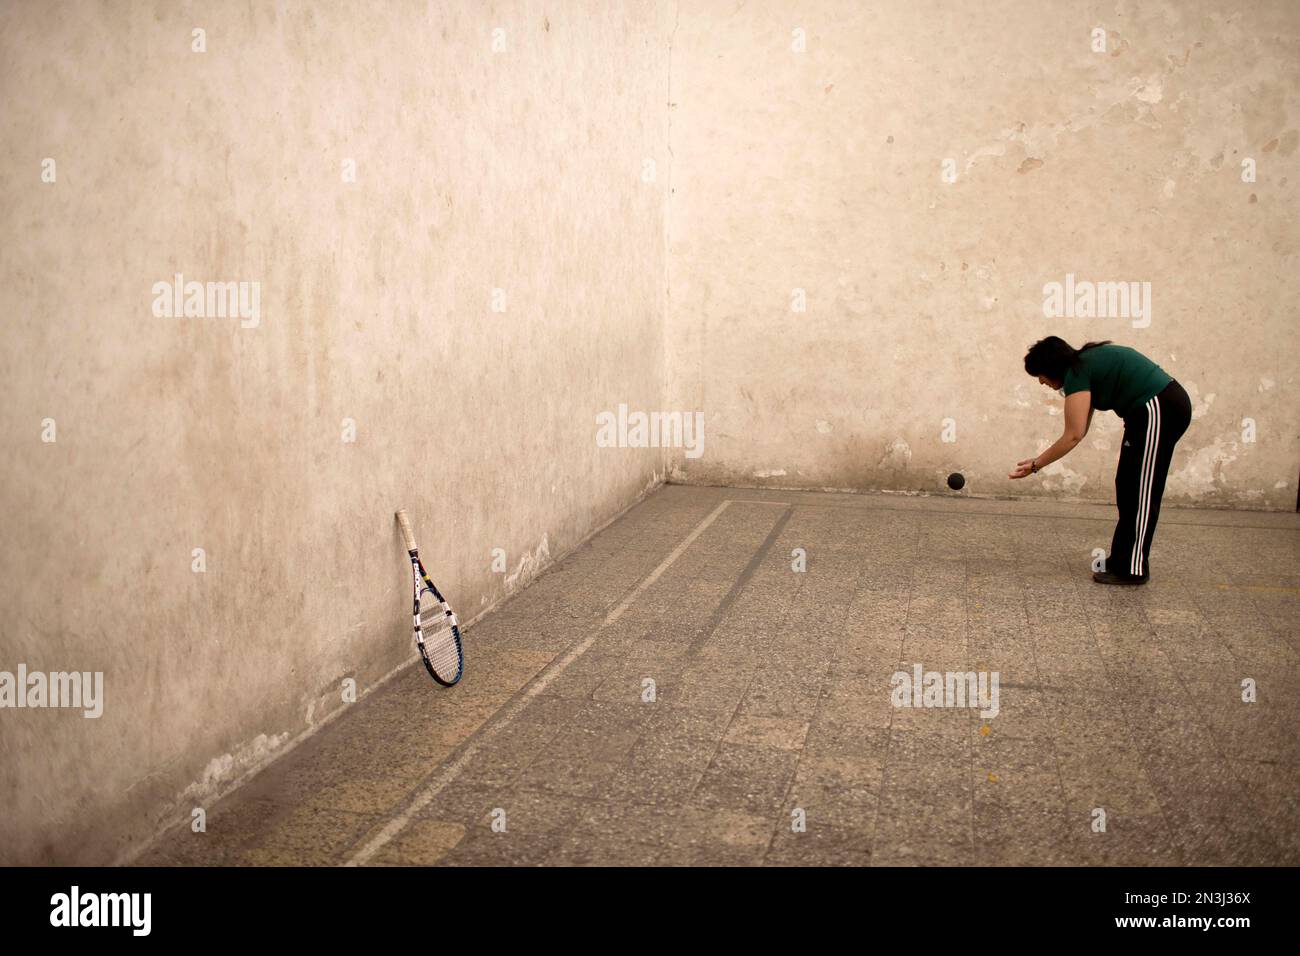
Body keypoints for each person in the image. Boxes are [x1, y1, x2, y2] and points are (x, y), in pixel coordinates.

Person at [1011, 337, 1192, 585]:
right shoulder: (1084, 367)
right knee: (1128, 483)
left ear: (1052, 367)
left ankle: (1133, 568)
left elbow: (1072, 435)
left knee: (1141, 489)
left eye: (1041, 375)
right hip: (1148, 412)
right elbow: (1080, 430)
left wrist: (1035, 465)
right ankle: (1122, 558)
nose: (1042, 382)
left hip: (1159, 407)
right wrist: (1037, 463)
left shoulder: (1078, 372)